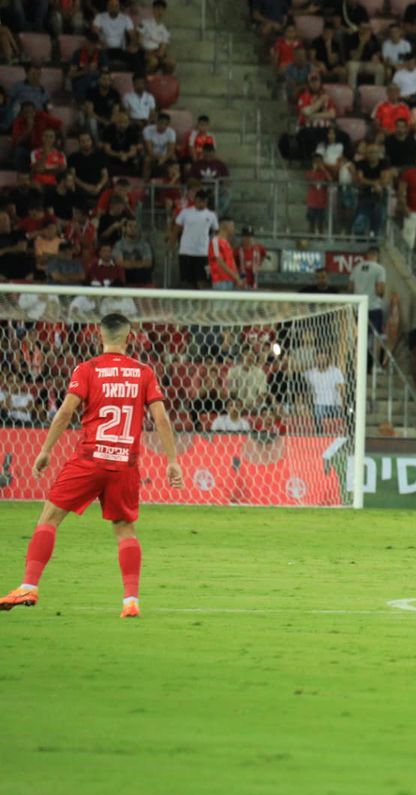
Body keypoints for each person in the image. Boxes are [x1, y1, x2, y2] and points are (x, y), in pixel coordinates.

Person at [0, 313, 183, 619]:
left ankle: (29, 585)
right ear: (129, 337)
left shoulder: (88, 369)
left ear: (100, 337)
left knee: (49, 517)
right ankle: (130, 601)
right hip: (124, 464)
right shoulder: (143, 372)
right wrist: (172, 461)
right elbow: (161, 418)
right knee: (125, 529)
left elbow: (65, 412)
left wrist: (45, 450)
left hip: (89, 459)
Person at [173, 190, 217, 289]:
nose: (201, 203)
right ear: (195, 200)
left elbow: (216, 232)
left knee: (203, 282)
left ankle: (203, 304)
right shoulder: (185, 212)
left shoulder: (211, 215)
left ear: (207, 202)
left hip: (203, 253)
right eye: (199, 200)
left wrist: (214, 250)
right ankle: (190, 304)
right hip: (186, 251)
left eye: (204, 201)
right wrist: (171, 244)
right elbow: (176, 228)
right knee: (188, 282)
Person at [304, 350, 346, 434]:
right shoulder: (310, 373)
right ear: (315, 359)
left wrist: (344, 403)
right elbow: (303, 387)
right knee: (317, 412)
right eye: (319, 358)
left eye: (324, 358)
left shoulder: (336, 371)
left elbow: (342, 388)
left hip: (334, 404)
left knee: (335, 425)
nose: (321, 360)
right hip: (318, 404)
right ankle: (319, 434)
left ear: (328, 359)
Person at [207, 216, 241, 290]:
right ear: (226, 226)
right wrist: (235, 276)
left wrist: (237, 276)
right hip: (220, 280)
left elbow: (232, 261)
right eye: (232, 226)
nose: (233, 229)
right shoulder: (215, 241)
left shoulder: (226, 242)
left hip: (230, 279)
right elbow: (220, 262)